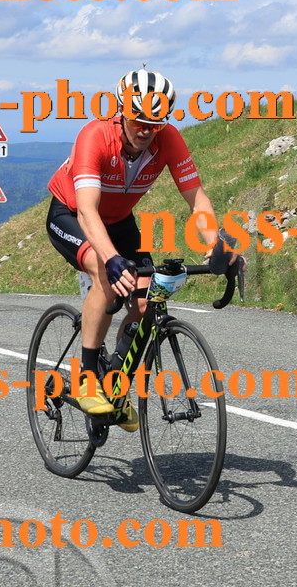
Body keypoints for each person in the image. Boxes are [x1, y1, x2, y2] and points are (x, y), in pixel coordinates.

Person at [43, 68, 236, 426]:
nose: (147, 130)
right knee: (104, 272)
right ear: (123, 112)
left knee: (147, 299)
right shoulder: (95, 136)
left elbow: (196, 199)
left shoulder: (169, 140)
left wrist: (216, 243)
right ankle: (87, 380)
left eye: (155, 123)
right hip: (71, 215)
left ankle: (115, 383)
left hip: (119, 222)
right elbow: (86, 210)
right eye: (139, 121)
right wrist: (112, 258)